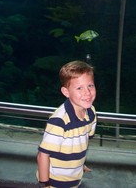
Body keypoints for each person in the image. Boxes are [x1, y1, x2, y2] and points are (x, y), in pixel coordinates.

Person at [37, 60, 97, 188]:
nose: (87, 92)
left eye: (90, 86)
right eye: (79, 88)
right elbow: (43, 155)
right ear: (66, 92)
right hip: (55, 182)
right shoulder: (59, 121)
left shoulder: (91, 112)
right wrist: (45, 184)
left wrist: (80, 164)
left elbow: (83, 142)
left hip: (75, 179)